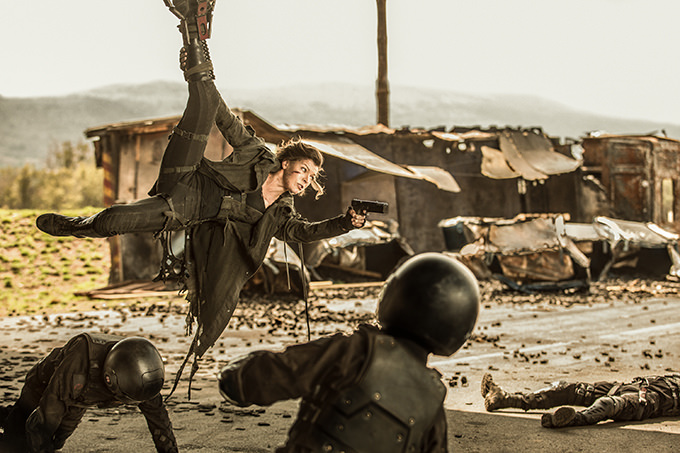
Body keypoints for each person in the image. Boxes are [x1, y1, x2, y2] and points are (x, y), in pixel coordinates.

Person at [35, 0, 365, 373]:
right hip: (188, 174)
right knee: (205, 103)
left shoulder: (280, 215)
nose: (306, 179)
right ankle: (194, 27)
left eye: (311, 177)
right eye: (304, 169)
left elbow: (306, 234)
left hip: (181, 209)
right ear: (287, 162)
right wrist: (202, 81)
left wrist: (346, 222)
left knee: (113, 220)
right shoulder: (257, 153)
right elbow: (225, 120)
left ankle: (77, 226)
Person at [218, 252, 481, 452]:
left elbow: (256, 380)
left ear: (398, 294)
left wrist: (235, 374)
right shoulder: (433, 399)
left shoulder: (354, 349)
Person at [0, 334, 177, 453]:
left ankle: (9, 417)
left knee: (55, 442)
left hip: (80, 397)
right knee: (16, 443)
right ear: (109, 378)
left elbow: (159, 419)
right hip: (44, 385)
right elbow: (44, 419)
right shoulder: (80, 363)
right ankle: (10, 418)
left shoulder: (142, 372)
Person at [481, 372, 680, 428]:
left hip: (648, 401)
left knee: (608, 404)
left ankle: (573, 419)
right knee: (566, 389)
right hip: (630, 386)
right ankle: (505, 399)